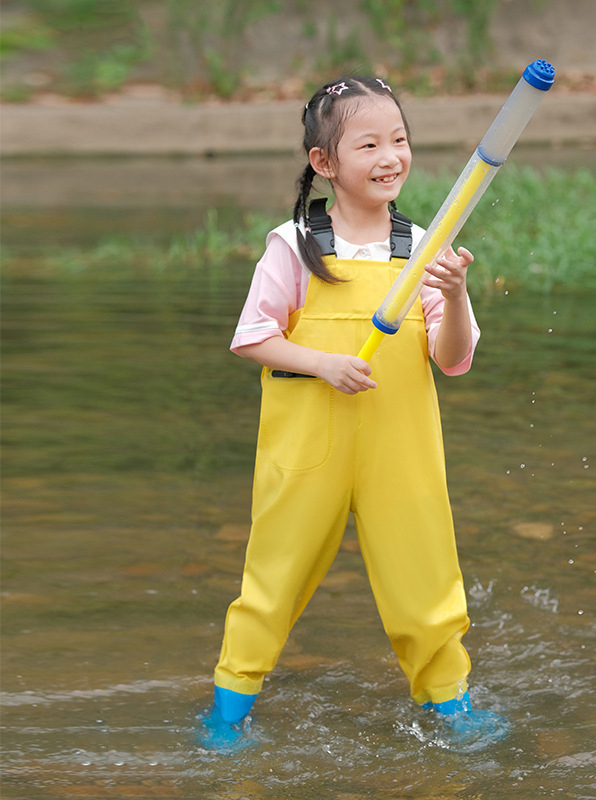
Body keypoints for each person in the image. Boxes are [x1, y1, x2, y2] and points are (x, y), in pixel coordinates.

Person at [212, 76, 481, 727]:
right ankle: (226, 713)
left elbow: (454, 358)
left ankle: (453, 707)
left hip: (402, 453)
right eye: (369, 144)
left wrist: (457, 290)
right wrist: (323, 363)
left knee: (426, 589)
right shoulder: (294, 245)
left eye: (399, 139)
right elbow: (251, 338)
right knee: (272, 584)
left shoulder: (424, 248)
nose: (391, 156)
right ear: (325, 163)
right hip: (308, 451)